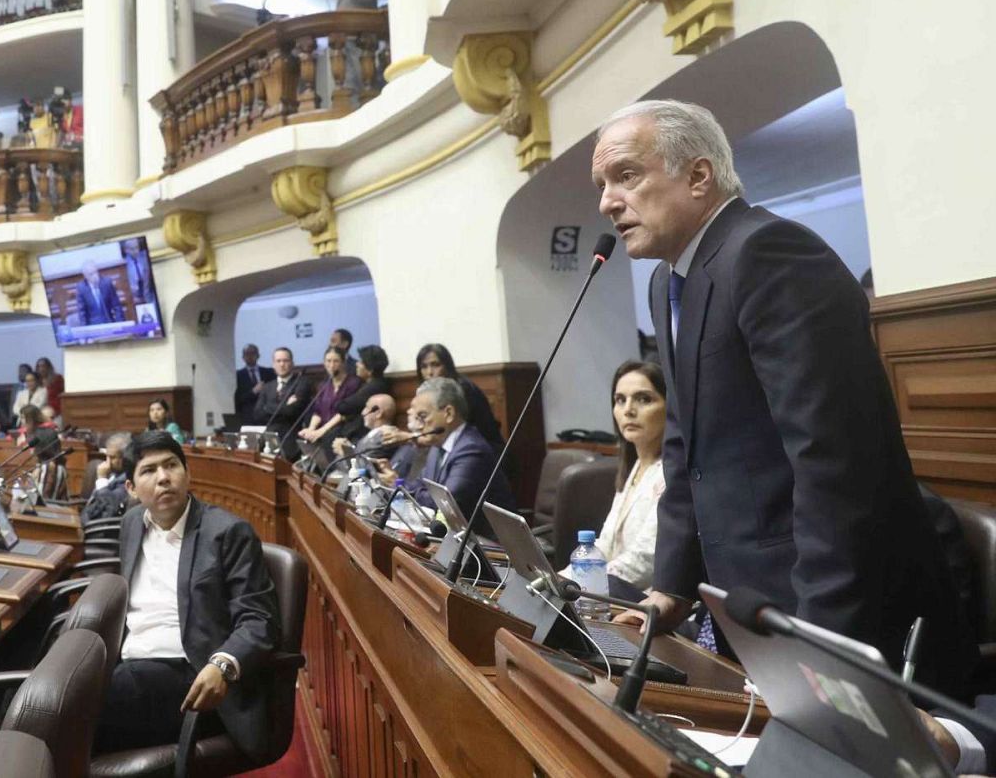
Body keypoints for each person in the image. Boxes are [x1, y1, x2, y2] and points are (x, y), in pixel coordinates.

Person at [594, 99, 972, 694]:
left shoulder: (771, 256)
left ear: (698, 176)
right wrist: (669, 584)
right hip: (749, 611)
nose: (607, 201)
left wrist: (818, 641)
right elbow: (685, 445)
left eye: (626, 175)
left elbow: (836, 465)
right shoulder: (670, 280)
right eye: (603, 184)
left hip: (836, 616)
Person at [93, 431, 280, 757]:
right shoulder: (132, 523)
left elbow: (259, 618)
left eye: (171, 466)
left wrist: (222, 665)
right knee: (31, 694)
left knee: (69, 706)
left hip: (194, 674)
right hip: (130, 664)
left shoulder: (227, 532)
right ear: (131, 489)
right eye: (149, 470)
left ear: (187, 473)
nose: (163, 478)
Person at [560, 361, 668, 594]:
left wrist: (578, 584)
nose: (628, 409)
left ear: (671, 407)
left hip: (647, 603)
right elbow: (605, 544)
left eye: (644, 399)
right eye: (620, 400)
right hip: (611, 591)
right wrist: (559, 578)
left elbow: (645, 560)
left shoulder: (671, 473)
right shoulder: (634, 466)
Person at [390, 377, 517, 523]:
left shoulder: (471, 449)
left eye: (423, 416)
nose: (419, 426)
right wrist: (401, 485)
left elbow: (447, 503)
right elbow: (420, 484)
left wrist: (401, 487)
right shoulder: (438, 445)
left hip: (487, 541)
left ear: (448, 413)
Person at [415, 343, 507, 452]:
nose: (429, 372)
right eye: (424, 367)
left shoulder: (461, 389)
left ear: (447, 366)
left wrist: (410, 438)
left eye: (435, 365)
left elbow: (448, 432)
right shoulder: (429, 392)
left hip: (482, 451)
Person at [296, 347, 361, 450]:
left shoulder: (353, 383)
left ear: (343, 363)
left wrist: (321, 431)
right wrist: (311, 430)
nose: (331, 365)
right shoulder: (324, 385)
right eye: (328, 361)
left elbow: (344, 413)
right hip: (323, 430)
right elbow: (318, 412)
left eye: (336, 361)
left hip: (341, 430)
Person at [253, 347, 309, 460]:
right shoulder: (267, 387)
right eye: (278, 361)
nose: (282, 364)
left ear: (292, 363)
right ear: (273, 364)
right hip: (268, 441)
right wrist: (285, 405)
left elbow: (292, 411)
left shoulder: (301, 383)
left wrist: (267, 407)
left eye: (285, 361)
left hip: (291, 442)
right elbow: (257, 414)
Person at [84, 432, 134, 522]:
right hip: (87, 520)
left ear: (125, 458)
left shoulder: (128, 481)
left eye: (112, 457)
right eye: (107, 456)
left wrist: (102, 479)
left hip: (97, 529)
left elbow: (110, 507)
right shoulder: (112, 474)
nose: (108, 462)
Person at [234, 344, 268, 423]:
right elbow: (238, 399)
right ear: (243, 357)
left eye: (252, 353)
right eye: (247, 354)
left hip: (266, 415)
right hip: (248, 417)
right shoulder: (238, 375)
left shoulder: (268, 372)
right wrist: (253, 392)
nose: (250, 356)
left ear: (258, 355)